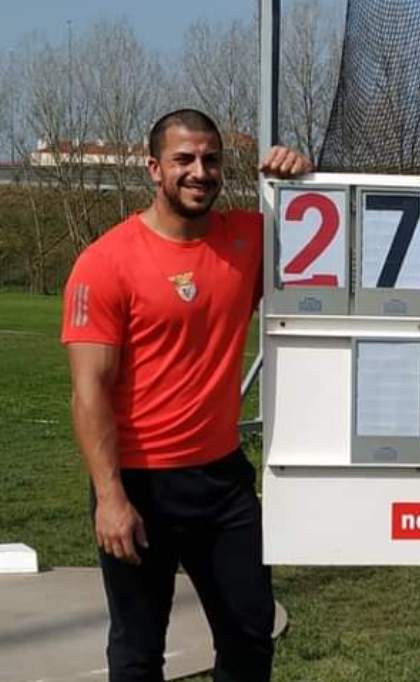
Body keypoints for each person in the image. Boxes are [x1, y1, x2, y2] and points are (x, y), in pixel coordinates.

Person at [61, 108, 313, 681]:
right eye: (183, 159)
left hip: (222, 484)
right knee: (138, 649)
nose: (200, 171)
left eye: (211, 159)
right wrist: (110, 497)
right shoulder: (104, 262)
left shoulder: (249, 238)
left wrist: (302, 178)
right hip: (139, 484)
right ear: (153, 168)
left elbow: (326, 234)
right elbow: (88, 392)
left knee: (251, 634)